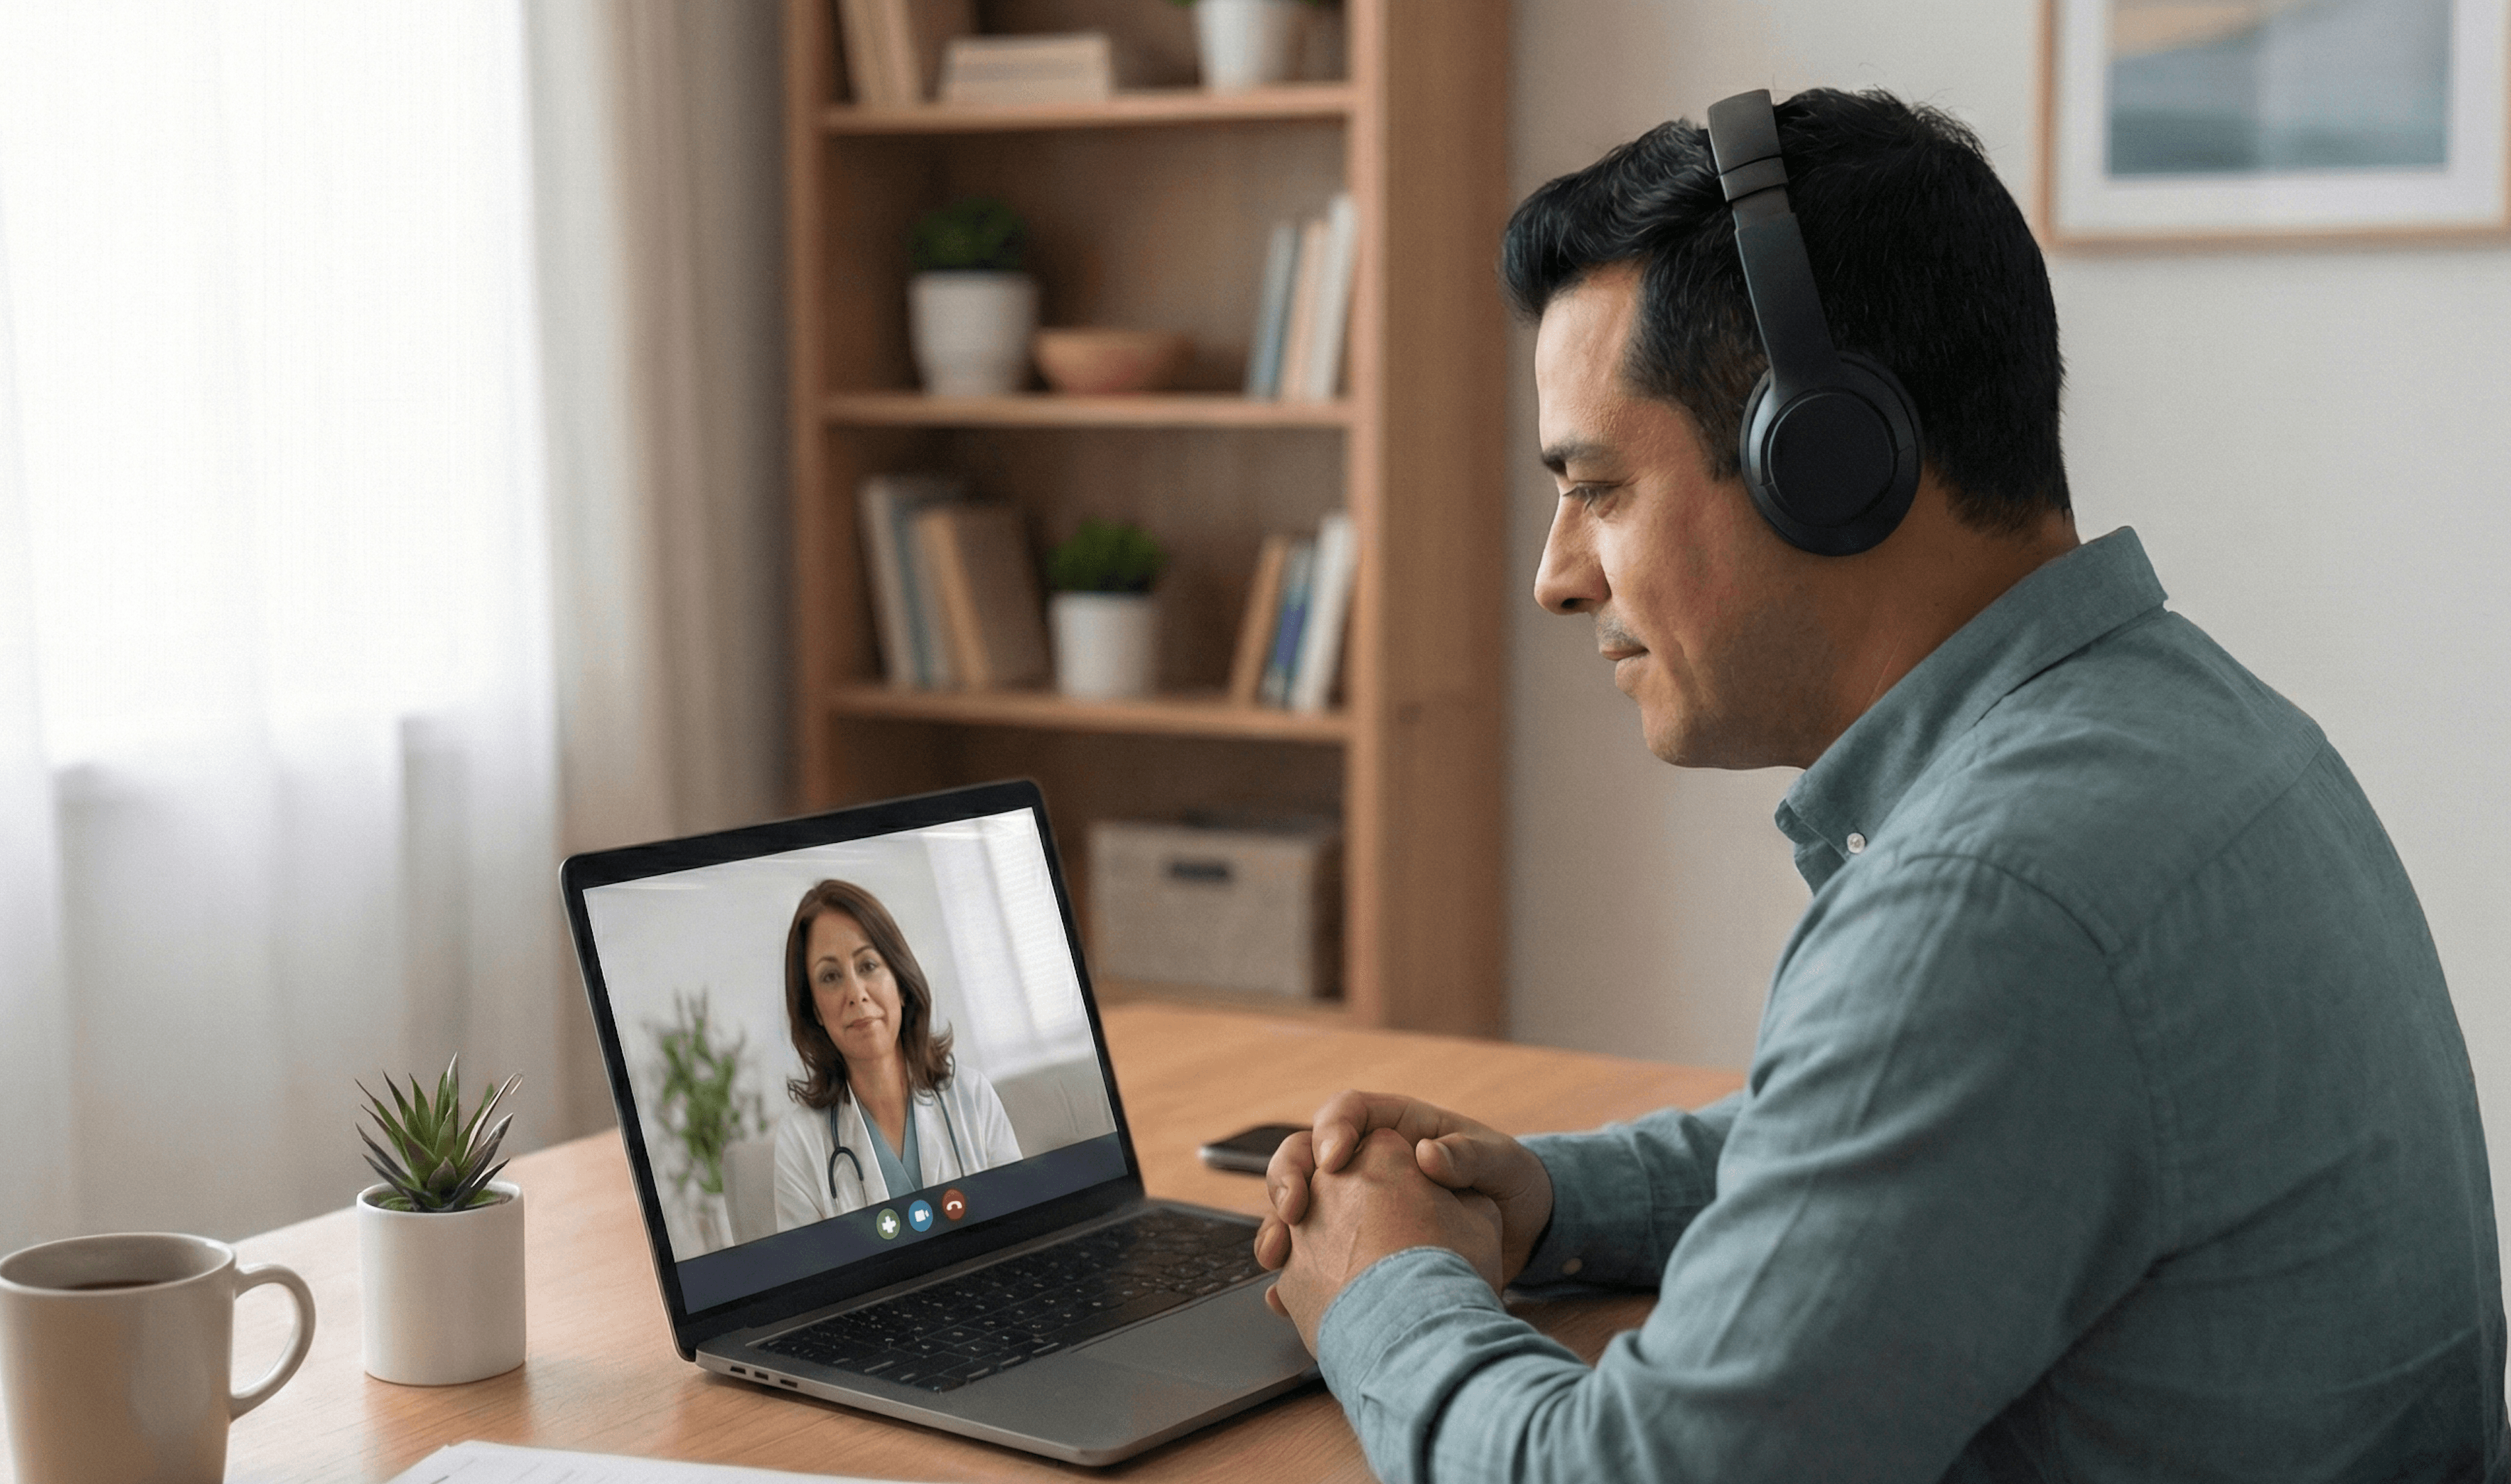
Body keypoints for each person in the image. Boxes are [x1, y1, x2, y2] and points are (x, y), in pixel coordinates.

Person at [1253, 88, 2507, 1481]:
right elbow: (1917, 1146)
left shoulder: (1992, 902)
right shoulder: (2192, 732)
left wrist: (1379, 1286)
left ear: (1827, 459)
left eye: (1596, 488)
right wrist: (1555, 1197)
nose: (1555, 575)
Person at [771, 879, 1022, 1230]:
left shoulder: (973, 1097)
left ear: (901, 982)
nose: (856, 994)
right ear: (814, 1009)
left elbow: (1023, 1230)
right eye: (830, 976)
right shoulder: (799, 1144)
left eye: (868, 966)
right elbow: (807, 1277)